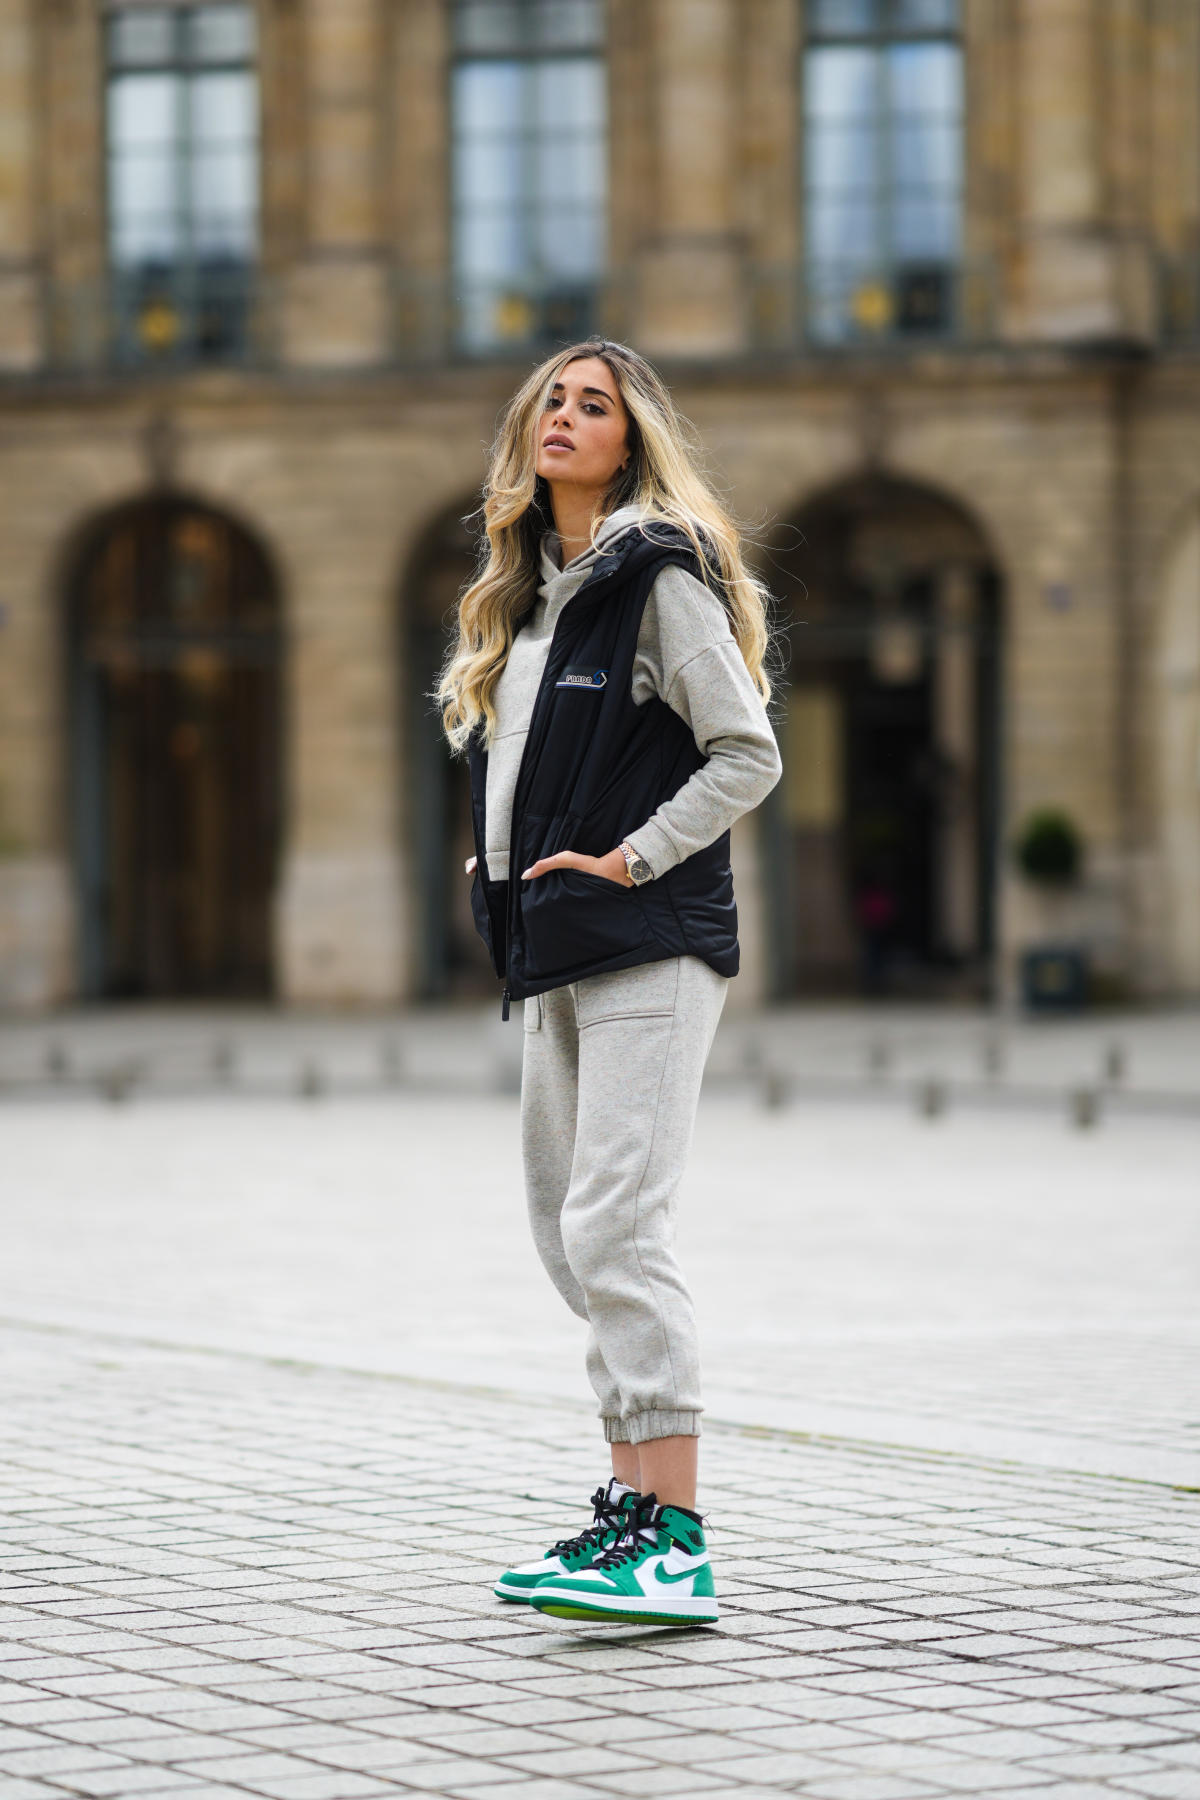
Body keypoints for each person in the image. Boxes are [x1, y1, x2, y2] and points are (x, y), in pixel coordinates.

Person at [436, 338, 781, 1626]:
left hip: (649, 942)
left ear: (632, 440)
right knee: (565, 1231)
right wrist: (499, 854)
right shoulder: (527, 601)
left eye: (596, 405)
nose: (567, 421)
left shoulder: (656, 578)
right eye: (551, 404)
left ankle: (677, 1538)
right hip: (553, 953)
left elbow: (746, 753)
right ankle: (629, 1514)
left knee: (620, 1228)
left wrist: (632, 858)